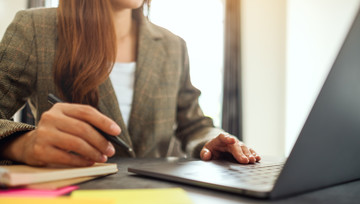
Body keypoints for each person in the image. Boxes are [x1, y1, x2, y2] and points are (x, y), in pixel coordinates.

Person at [0, 0, 260, 167]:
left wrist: (215, 140)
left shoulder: (173, 45)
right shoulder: (34, 28)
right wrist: (23, 143)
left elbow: (194, 125)